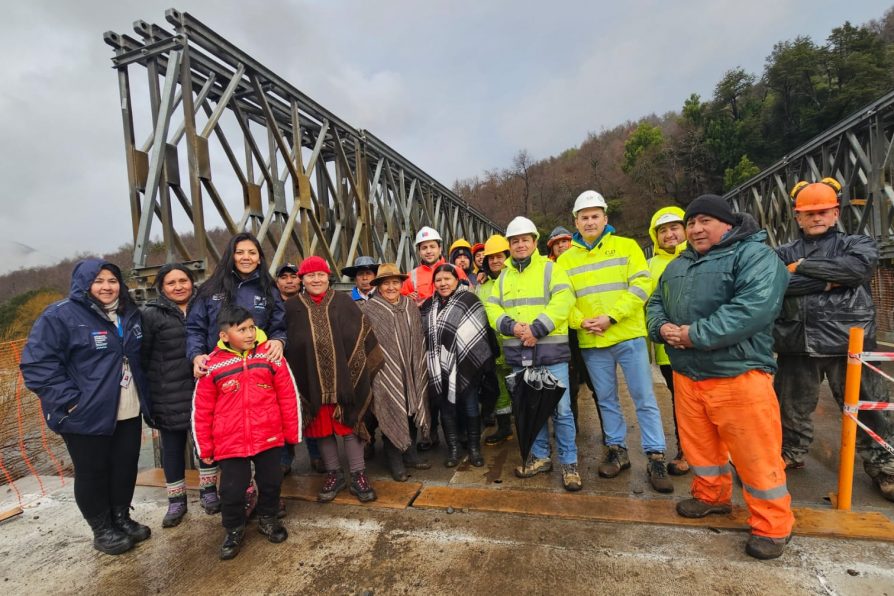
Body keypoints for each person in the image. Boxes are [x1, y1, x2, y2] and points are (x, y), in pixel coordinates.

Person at [647, 194, 794, 560]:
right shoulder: (679, 264)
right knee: (702, 448)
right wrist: (660, 327)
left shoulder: (755, 255)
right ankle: (711, 496)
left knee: (755, 454)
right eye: (691, 222)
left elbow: (753, 309)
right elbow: (654, 302)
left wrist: (692, 335)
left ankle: (773, 525)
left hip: (738, 375)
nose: (696, 229)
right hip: (688, 375)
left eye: (705, 221)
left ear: (727, 223)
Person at [21, 259, 152, 555]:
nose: (107, 287)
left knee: (124, 466)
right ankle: (102, 528)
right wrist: (71, 401)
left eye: (112, 280)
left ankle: (121, 517)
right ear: (84, 284)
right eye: (99, 281)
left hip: (127, 408)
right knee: (93, 471)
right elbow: (37, 365)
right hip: (85, 413)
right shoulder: (60, 316)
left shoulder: (128, 313)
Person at [774, 180, 894, 502]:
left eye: (823, 211)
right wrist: (828, 282)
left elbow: (858, 270)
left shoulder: (858, 244)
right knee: (790, 406)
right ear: (797, 217)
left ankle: (885, 465)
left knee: (869, 407)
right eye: (808, 213)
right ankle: (790, 452)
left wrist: (804, 267)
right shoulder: (781, 253)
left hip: (851, 343)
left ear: (836, 212)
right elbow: (776, 283)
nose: (816, 218)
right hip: (797, 340)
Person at [558, 190, 672, 494]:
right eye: (585, 217)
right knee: (606, 399)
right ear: (576, 222)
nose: (590, 221)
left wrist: (612, 316)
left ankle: (655, 455)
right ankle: (617, 450)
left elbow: (641, 285)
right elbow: (563, 299)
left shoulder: (627, 247)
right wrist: (579, 321)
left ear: (605, 219)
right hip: (592, 340)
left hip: (627, 334)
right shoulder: (566, 259)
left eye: (596, 216)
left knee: (643, 397)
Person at [186, 232, 287, 516]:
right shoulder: (210, 289)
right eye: (240, 252)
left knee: (265, 439)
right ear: (231, 255)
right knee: (231, 440)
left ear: (260, 257)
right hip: (221, 378)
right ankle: (241, 495)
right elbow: (194, 328)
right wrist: (196, 355)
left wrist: (279, 341)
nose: (246, 257)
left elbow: (279, 325)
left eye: (252, 252)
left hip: (259, 376)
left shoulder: (269, 289)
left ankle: (267, 499)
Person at [192, 305, 300, 560]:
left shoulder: (270, 356)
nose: (250, 333)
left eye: (252, 327)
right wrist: (205, 448)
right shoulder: (212, 365)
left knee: (271, 482)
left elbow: (288, 396)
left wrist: (291, 434)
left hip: (269, 436)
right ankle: (233, 528)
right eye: (242, 329)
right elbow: (201, 410)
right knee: (232, 489)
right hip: (231, 441)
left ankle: (268, 518)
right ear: (224, 335)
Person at [485, 217, 582, 491]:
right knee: (531, 408)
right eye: (515, 241)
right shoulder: (503, 277)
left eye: (525, 239)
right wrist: (512, 327)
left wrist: (537, 329)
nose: (520, 245)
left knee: (561, 410)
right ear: (510, 245)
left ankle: (569, 463)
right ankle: (540, 457)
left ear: (534, 242)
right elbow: (492, 309)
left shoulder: (551, 269)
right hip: (519, 353)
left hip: (550, 351)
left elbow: (564, 300)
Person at [284, 256, 384, 503]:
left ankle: (359, 475)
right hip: (311, 380)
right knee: (322, 429)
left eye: (320, 274)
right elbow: (289, 344)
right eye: (310, 275)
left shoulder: (344, 302)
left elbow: (360, 334)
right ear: (302, 279)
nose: (316, 279)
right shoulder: (292, 308)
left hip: (345, 380)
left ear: (327, 276)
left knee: (349, 426)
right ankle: (334, 474)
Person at [141, 263, 220, 527]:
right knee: (172, 448)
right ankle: (176, 500)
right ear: (161, 288)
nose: (178, 286)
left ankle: (209, 492)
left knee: (205, 444)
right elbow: (144, 356)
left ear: (192, 282)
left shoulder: (205, 306)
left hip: (203, 389)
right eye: (171, 283)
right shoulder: (150, 315)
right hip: (168, 391)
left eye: (183, 281)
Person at [362, 263, 432, 481]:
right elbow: (365, 344)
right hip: (385, 372)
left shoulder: (410, 306)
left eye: (395, 283)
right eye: (386, 283)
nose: (391, 287)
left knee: (411, 407)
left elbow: (418, 338)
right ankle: (395, 461)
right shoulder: (370, 309)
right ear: (379, 287)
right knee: (392, 409)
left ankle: (410, 454)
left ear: (401, 284)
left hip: (410, 368)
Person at [421, 264, 495, 468]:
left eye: (447, 279)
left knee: (470, 405)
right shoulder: (428, 305)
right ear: (433, 283)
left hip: (466, 363)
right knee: (446, 408)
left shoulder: (470, 300)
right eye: (438, 280)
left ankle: (473, 448)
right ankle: (453, 448)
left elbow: (479, 332)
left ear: (456, 280)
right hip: (439, 366)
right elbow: (424, 334)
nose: (443, 283)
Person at [402, 226, 466, 450]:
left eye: (432, 246)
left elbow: (465, 295)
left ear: (440, 247)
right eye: (424, 247)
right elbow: (400, 303)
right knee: (430, 388)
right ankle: (430, 434)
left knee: (453, 385)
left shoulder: (454, 269)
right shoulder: (411, 276)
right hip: (424, 338)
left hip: (450, 337)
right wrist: (407, 299)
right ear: (419, 251)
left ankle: (459, 434)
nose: (428, 251)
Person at [647, 207, 690, 476]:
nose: (669, 234)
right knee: (682, 403)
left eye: (675, 227)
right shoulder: (650, 265)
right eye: (663, 230)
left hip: (708, 343)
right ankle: (686, 451)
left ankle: (731, 453)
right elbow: (649, 305)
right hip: (668, 350)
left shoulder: (702, 255)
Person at [547, 224, 599, 436]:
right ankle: (572, 427)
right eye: (557, 243)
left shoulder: (584, 261)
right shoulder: (547, 268)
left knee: (596, 381)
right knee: (568, 381)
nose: (561, 245)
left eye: (564, 241)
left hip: (586, 328)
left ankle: (610, 433)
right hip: (562, 333)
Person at [275, 262, 323, 475]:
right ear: (277, 282)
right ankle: (285, 458)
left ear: (300, 279)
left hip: (307, 363)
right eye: (284, 277)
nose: (289, 280)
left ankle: (316, 455)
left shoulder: (309, 303)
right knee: (282, 413)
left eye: (294, 276)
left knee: (311, 407)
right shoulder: (271, 304)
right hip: (281, 365)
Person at [476, 235, 514, 446]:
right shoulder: (483, 285)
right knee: (499, 389)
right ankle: (504, 428)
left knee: (520, 387)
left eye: (499, 256)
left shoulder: (516, 280)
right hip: (493, 346)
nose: (495, 261)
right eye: (491, 258)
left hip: (516, 344)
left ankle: (526, 425)